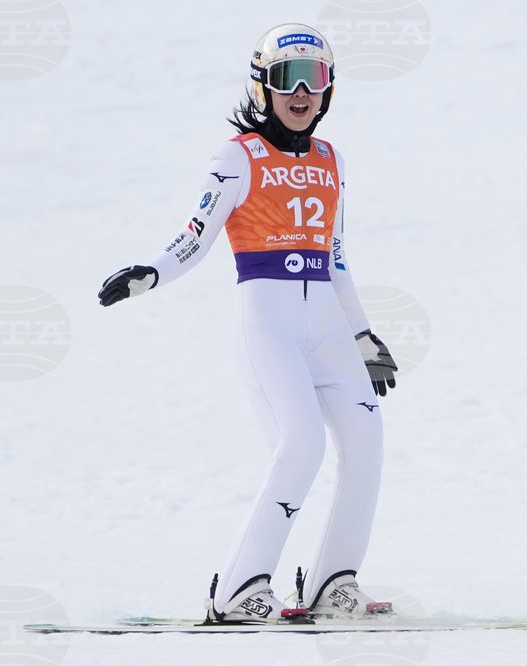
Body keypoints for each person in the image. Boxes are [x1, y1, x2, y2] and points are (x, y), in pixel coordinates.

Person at [97, 24, 398, 624]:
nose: (303, 91)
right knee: (302, 444)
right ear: (263, 85)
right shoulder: (238, 157)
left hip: (327, 321)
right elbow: (195, 236)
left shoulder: (330, 158)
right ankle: (237, 589)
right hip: (269, 317)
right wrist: (149, 273)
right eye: (290, 78)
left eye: (316, 78)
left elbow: (335, 256)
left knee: (367, 439)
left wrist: (363, 335)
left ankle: (333, 584)